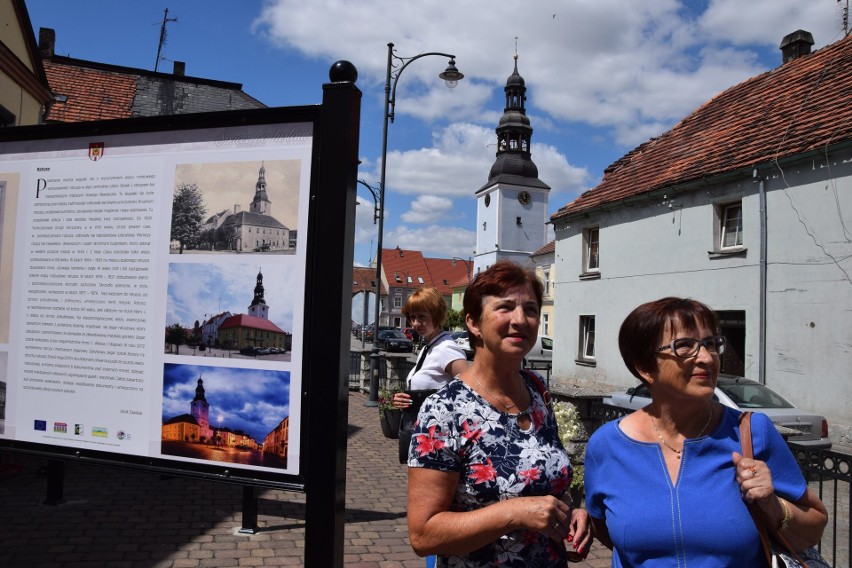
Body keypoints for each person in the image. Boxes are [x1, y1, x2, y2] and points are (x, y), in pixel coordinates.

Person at [584, 297, 828, 566]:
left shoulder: (751, 431)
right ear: (645, 367)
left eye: (711, 344)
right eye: (685, 345)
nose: (706, 357)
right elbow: (605, 530)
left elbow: (813, 527)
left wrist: (772, 505)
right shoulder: (606, 445)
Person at [406, 261, 591, 567]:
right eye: (505, 308)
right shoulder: (444, 410)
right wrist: (516, 513)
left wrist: (569, 511)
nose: (521, 319)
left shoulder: (536, 390)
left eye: (531, 309)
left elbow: (546, 485)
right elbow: (424, 535)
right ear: (474, 323)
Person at [393, 287, 468, 464]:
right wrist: (404, 399)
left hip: (439, 440)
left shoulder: (446, 349)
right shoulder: (430, 347)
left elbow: (471, 392)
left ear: (436, 315)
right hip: (425, 435)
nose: (416, 323)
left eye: (422, 316)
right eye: (412, 317)